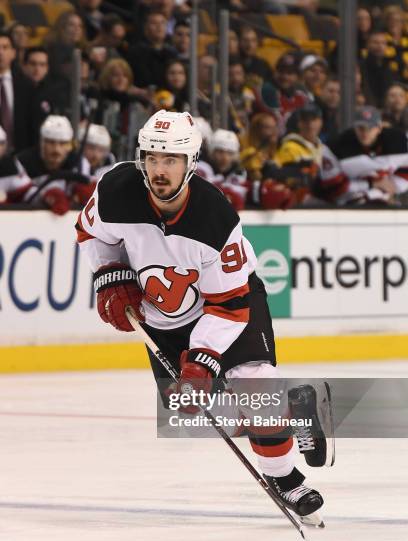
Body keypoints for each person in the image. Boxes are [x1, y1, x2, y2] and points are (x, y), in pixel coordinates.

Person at [76, 109, 328, 520]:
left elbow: (228, 307)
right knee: (190, 411)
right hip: (162, 316)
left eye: (171, 160)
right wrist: (109, 273)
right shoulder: (115, 189)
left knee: (255, 388)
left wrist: (203, 358)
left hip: (231, 303)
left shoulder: (215, 217)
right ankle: (293, 409)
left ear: (191, 163)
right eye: (153, 158)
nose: (160, 169)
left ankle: (287, 480)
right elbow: (91, 234)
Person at [328, 106, 408, 205]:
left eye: (370, 128)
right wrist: (371, 184)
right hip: (343, 205)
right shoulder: (340, 146)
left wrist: (389, 188)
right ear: (355, 128)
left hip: (379, 200)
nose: (365, 133)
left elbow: (402, 176)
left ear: (379, 128)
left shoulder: (397, 144)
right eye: (361, 128)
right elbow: (331, 185)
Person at [18, 115, 91, 214]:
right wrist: (46, 195)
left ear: (70, 145)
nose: (57, 150)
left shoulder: (80, 164)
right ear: (41, 142)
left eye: (63, 143)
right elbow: (17, 195)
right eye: (51, 143)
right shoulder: (23, 162)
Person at [0, 31, 36, 153]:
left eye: (5, 47)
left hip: (21, 154)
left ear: (13, 53)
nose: (1, 52)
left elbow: (31, 124)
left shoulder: (26, 86)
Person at [0, 126, 32, 206]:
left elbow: (27, 192)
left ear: (5, 146)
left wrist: (46, 197)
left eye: (0, 143)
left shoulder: (11, 165)